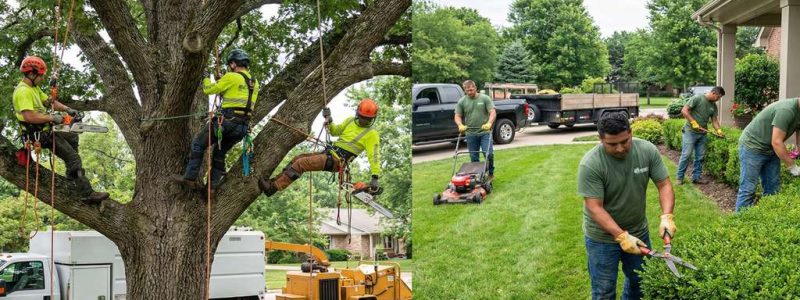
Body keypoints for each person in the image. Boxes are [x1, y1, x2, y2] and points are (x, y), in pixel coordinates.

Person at [578, 112, 676, 300]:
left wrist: (667, 216)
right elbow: (594, 207)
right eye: (612, 144)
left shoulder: (647, 150)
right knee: (604, 291)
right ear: (600, 139)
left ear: (630, 132)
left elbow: (664, 185)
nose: (620, 148)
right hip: (602, 239)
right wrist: (621, 236)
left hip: (638, 231)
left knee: (640, 283)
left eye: (625, 141)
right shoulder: (591, 164)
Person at [12, 56, 109, 202]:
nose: (42, 78)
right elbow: (29, 116)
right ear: (31, 74)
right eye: (41, 75)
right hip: (38, 134)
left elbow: (49, 102)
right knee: (74, 158)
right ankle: (86, 194)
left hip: (46, 130)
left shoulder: (34, 88)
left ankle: (72, 176)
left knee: (72, 136)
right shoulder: (23, 92)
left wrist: (68, 109)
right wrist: (52, 118)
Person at [258, 99, 381, 196]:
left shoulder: (372, 134)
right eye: (362, 117)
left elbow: (374, 156)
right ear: (357, 113)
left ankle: (273, 188)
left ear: (372, 119)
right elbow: (334, 131)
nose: (364, 121)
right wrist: (330, 121)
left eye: (368, 119)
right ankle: (273, 182)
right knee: (297, 158)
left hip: (338, 161)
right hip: (330, 153)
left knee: (302, 163)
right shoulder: (350, 121)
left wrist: (375, 177)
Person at [174, 49, 258, 188]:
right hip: (242, 127)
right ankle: (212, 187)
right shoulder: (254, 83)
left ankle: (189, 177)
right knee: (220, 152)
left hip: (227, 122)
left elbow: (208, 90)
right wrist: (223, 82)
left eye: (229, 65)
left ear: (233, 64)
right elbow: (235, 94)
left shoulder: (231, 77)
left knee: (198, 144)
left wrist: (206, 77)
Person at [735, 98, 800, 212]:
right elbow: (776, 142)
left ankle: (767, 220)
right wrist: (792, 166)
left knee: (772, 188)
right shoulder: (786, 110)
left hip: (771, 148)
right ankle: (739, 221)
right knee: (748, 189)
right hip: (753, 146)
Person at [675, 86, 725, 185]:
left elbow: (714, 120)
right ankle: (679, 178)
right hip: (690, 131)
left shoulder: (713, 106)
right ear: (713, 93)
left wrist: (719, 130)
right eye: (718, 97)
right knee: (686, 155)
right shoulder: (698, 98)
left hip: (702, 133)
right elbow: (684, 110)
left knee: (700, 157)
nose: (718, 99)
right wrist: (693, 122)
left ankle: (696, 178)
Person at [454, 80, 495, 181]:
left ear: (475, 88)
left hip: (484, 132)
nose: (470, 92)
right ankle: (478, 177)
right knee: (473, 157)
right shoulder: (462, 101)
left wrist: (489, 123)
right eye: (467, 91)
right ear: (465, 90)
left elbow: (493, 112)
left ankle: (490, 173)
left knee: (488, 154)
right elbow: (457, 115)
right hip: (470, 133)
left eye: (471, 90)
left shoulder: (485, 98)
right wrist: (460, 125)